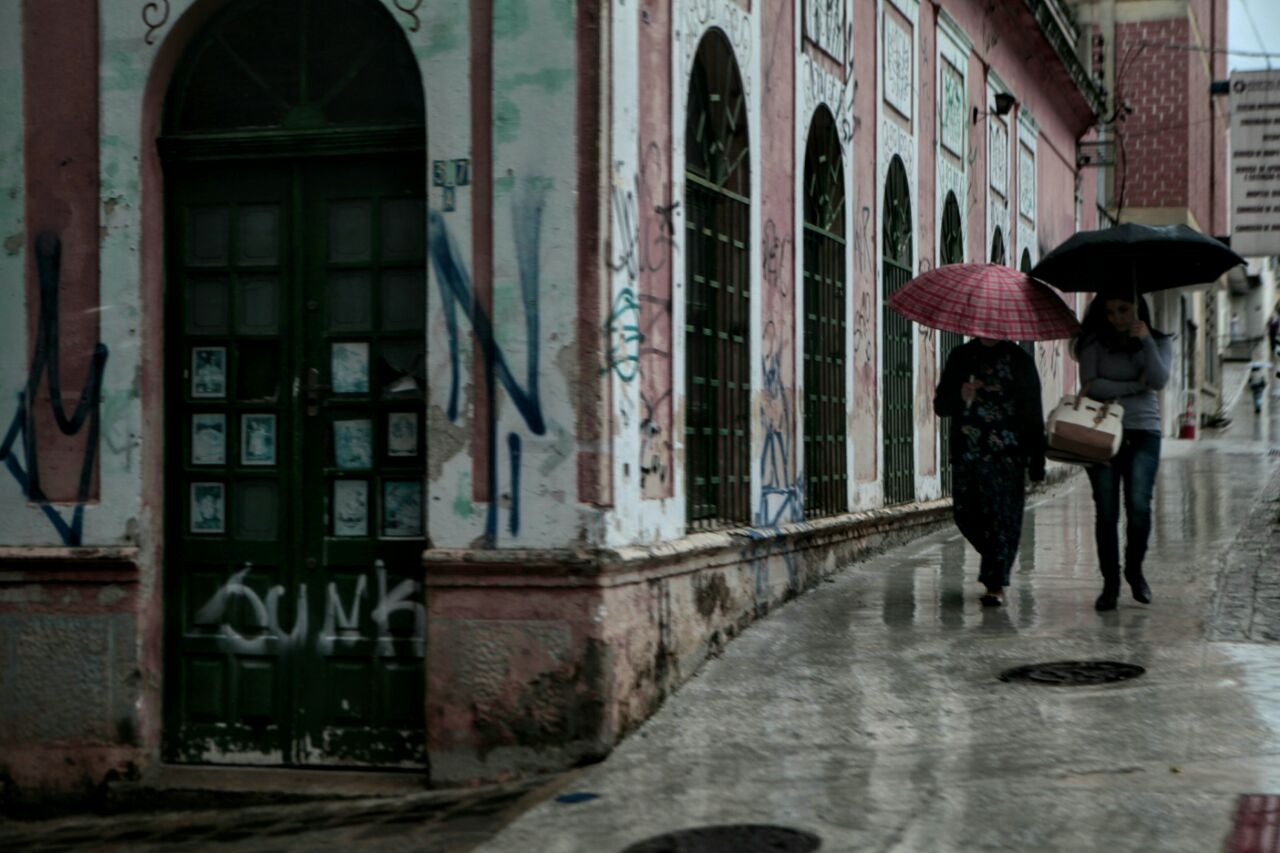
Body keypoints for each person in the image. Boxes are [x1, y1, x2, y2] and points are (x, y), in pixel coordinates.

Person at [1073, 289, 1172, 611]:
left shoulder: (1158, 341)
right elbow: (1091, 384)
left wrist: (1144, 341)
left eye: (1123, 309)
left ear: (1138, 309)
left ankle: (1134, 570)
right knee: (1106, 512)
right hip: (1100, 433)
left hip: (1144, 432)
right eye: (1110, 312)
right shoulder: (1092, 343)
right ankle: (1110, 583)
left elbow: (1158, 380)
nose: (1116, 318)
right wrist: (1134, 385)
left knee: (1139, 507)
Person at [935, 337, 1046, 607]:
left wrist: (1037, 461)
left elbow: (1033, 412)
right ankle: (997, 558)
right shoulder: (961, 356)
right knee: (965, 515)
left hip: (1008, 455)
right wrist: (960, 395)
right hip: (968, 453)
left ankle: (994, 583)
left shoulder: (1020, 361)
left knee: (1001, 519)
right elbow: (942, 406)